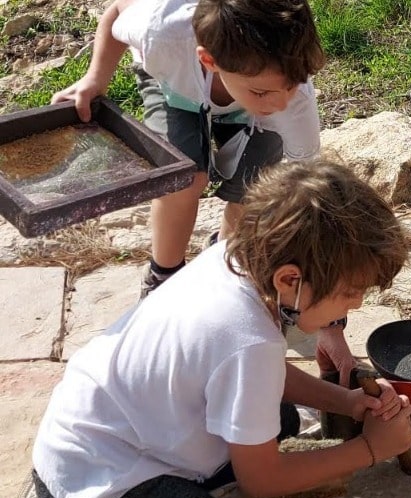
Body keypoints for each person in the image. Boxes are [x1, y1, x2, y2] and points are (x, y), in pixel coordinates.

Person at [20, 160, 411, 498]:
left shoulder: (233, 258)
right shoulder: (249, 341)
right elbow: (262, 479)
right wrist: (370, 448)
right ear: (289, 280)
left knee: (281, 420)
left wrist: (346, 402)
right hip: (102, 488)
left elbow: (258, 374)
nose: (357, 304)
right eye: (351, 292)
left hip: (87, 437)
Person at [51, 0, 324, 299]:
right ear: (209, 59)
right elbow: (117, 11)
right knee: (182, 179)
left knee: (256, 188)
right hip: (174, 87)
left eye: (294, 85)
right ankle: (163, 275)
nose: (281, 104)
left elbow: (305, 179)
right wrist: (96, 78)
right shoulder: (162, 31)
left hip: (245, 102)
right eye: (262, 92)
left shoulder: (291, 99)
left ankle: (223, 264)